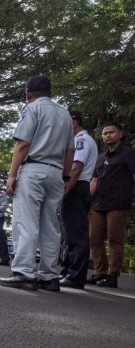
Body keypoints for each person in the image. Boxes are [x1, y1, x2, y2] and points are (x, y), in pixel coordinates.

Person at [0, 76, 74, 291]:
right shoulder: (65, 114)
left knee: (26, 222)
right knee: (50, 225)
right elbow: (70, 150)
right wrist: (66, 177)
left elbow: (23, 144)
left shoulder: (31, 109)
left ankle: (23, 272)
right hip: (57, 172)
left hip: (34, 169)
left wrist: (11, 175)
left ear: (27, 93)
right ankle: (49, 276)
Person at [87, 122, 135, 288]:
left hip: (118, 203)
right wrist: (88, 200)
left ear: (119, 134)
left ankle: (112, 275)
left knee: (115, 239)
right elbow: (94, 180)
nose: (108, 135)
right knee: (95, 238)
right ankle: (100, 272)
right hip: (98, 204)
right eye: (105, 133)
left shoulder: (128, 154)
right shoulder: (101, 157)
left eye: (111, 132)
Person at [59, 111, 98, 289]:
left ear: (73, 123)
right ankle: (69, 271)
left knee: (77, 234)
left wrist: (66, 189)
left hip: (77, 186)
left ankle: (76, 276)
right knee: (71, 233)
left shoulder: (80, 140)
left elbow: (76, 167)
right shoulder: (83, 139)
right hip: (79, 187)